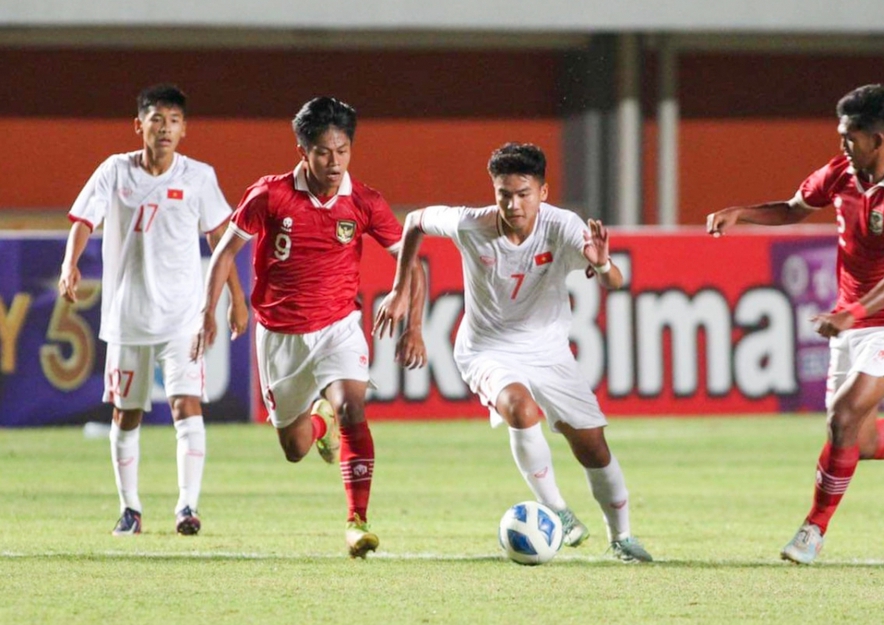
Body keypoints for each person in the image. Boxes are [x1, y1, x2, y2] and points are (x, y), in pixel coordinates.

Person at [706, 84, 884, 564]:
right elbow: (795, 209)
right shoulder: (841, 172)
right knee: (859, 437)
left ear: (878, 139)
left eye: (849, 137)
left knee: (844, 413)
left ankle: (812, 531)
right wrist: (743, 213)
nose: (842, 145)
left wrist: (851, 313)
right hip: (852, 321)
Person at [375, 142, 653, 563]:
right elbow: (413, 221)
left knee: (592, 445)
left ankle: (623, 537)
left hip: (548, 349)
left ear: (543, 191)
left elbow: (615, 282)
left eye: (523, 193)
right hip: (486, 348)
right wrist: (400, 293)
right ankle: (558, 511)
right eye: (504, 193)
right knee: (520, 409)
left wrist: (602, 263)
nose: (513, 203)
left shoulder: (562, 226)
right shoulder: (471, 224)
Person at [194, 96, 427, 559]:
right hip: (280, 335)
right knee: (295, 447)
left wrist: (412, 322)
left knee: (353, 410)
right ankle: (319, 425)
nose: (335, 161)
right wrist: (213, 311)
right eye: (324, 151)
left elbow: (410, 262)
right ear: (303, 151)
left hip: (338, 327)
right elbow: (225, 251)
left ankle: (357, 522)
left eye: (343, 151)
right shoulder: (269, 195)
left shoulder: (364, 201)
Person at [59, 83, 248, 537]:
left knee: (188, 407)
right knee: (127, 414)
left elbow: (220, 241)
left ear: (184, 129)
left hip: (183, 317)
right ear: (138, 124)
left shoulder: (198, 177)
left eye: (174, 121)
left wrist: (236, 299)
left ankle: (187, 508)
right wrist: (70, 265)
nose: (165, 128)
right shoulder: (115, 171)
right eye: (156, 119)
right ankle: (131, 509)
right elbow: (83, 220)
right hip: (127, 317)